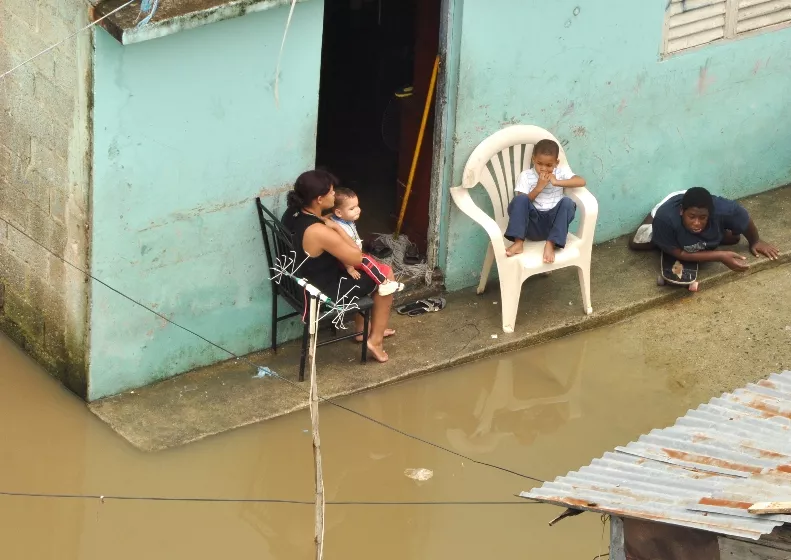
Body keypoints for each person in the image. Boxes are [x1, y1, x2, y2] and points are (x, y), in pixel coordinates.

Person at [281, 170, 395, 363]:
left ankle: (361, 331)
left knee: (369, 270)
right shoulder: (319, 231)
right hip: (324, 294)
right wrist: (337, 229)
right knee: (386, 275)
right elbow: (356, 257)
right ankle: (375, 340)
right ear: (319, 199)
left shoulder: (293, 213)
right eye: (332, 193)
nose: (334, 195)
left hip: (300, 281)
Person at [629, 187, 779, 271]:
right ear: (682, 211)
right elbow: (680, 253)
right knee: (638, 243)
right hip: (669, 206)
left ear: (710, 214)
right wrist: (719, 256)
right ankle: (660, 231)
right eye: (692, 217)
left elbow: (745, 220)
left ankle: (711, 232)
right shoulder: (665, 218)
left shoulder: (726, 210)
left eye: (702, 218)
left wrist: (756, 241)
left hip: (699, 205)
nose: (696, 223)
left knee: (734, 238)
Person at [504, 139, 587, 263]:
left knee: (568, 203)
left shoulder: (559, 173)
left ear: (556, 163)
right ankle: (518, 243)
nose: (543, 169)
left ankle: (550, 243)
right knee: (520, 199)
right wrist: (539, 187)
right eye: (539, 164)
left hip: (554, 226)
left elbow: (581, 181)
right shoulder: (526, 176)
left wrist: (556, 182)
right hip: (531, 225)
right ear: (533, 160)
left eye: (549, 165)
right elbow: (522, 204)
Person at [330, 187, 405, 297]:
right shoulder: (339, 227)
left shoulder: (341, 219)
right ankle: (384, 283)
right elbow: (339, 251)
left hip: (353, 255)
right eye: (352, 208)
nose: (358, 210)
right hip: (347, 261)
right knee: (366, 260)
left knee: (369, 260)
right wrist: (349, 268)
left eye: (357, 206)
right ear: (339, 212)